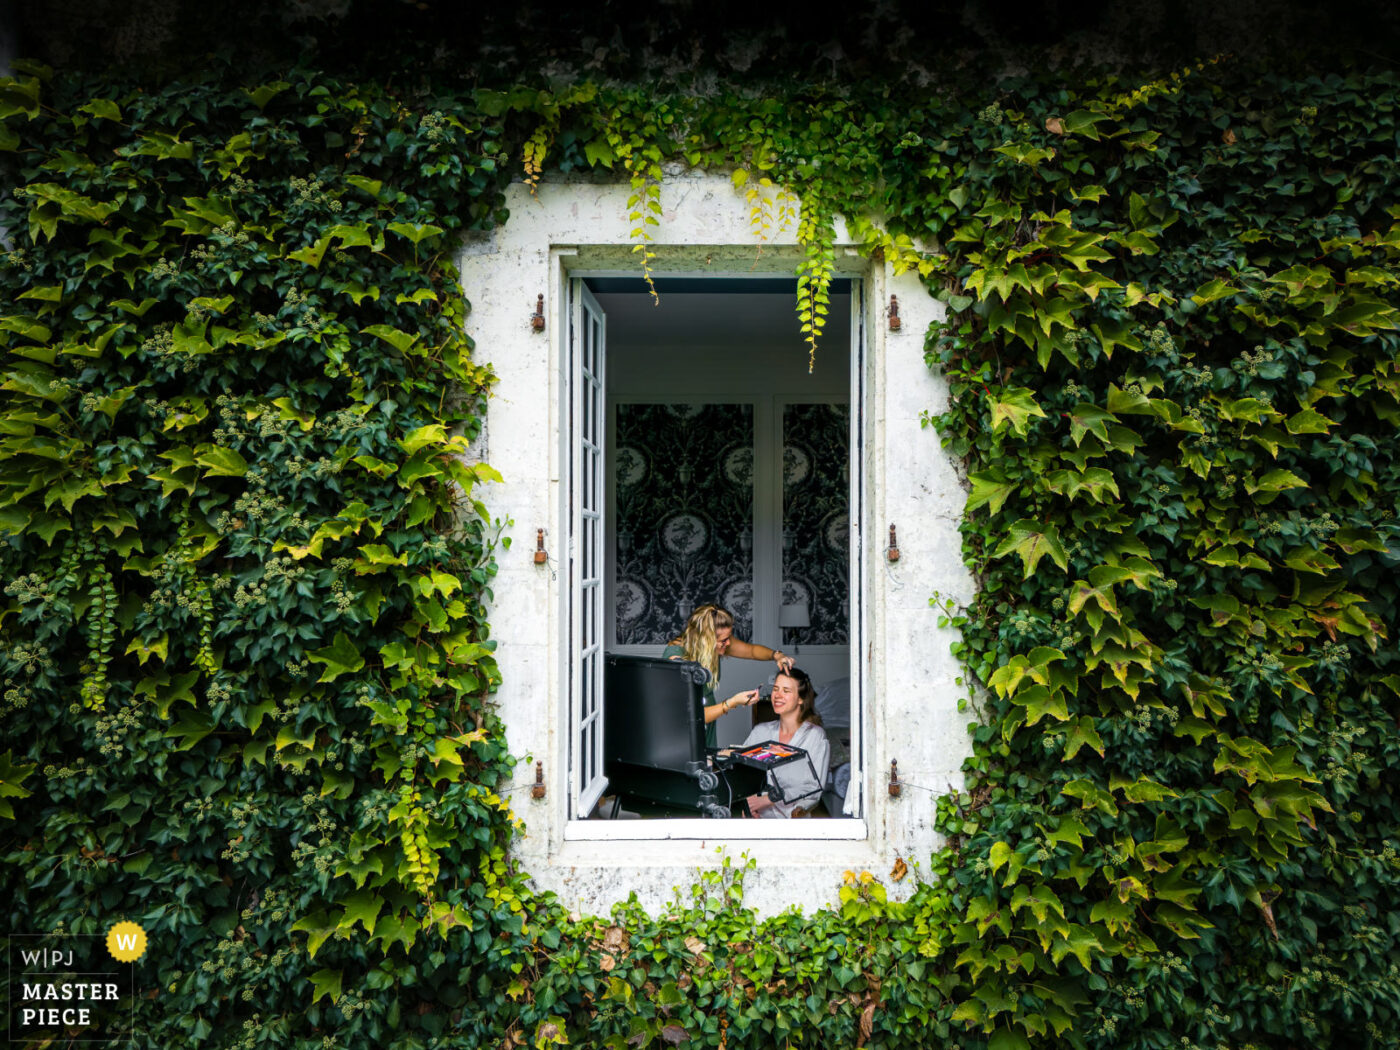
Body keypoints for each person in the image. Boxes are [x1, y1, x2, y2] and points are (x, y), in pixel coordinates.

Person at [663, 604, 794, 748]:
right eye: (723, 641)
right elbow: (690, 715)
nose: (729, 643)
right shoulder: (676, 656)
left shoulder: (714, 646)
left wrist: (777, 656)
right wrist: (732, 702)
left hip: (707, 723)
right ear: (706, 640)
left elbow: (751, 651)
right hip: (684, 733)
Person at [740, 667, 830, 818]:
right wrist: (747, 807)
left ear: (800, 699)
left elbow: (814, 789)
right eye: (775, 689)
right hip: (757, 820)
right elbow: (741, 774)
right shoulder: (760, 732)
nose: (777, 695)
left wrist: (769, 799)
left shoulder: (815, 736)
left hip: (793, 822)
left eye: (786, 691)